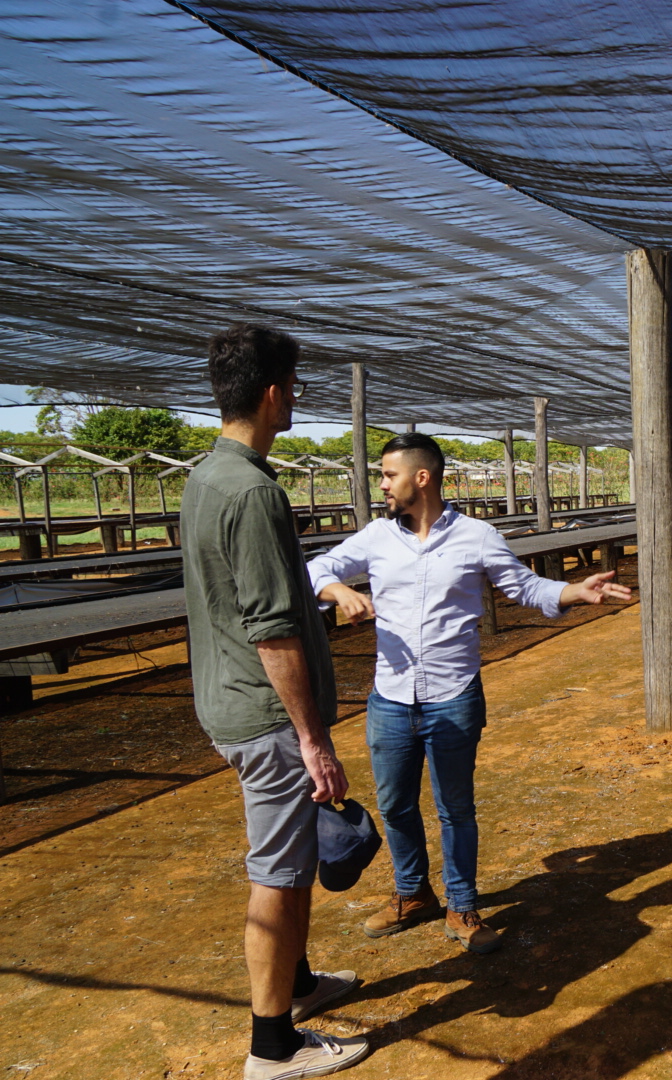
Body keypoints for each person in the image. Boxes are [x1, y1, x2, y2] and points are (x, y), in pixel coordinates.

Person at [307, 433, 630, 954]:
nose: (382, 485)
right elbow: (313, 570)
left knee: (456, 807)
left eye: (389, 475)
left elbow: (524, 588)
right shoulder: (374, 538)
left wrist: (572, 591)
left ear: (422, 478)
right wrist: (340, 590)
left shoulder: (477, 536)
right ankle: (412, 894)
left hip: (453, 694)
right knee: (395, 806)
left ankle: (462, 906)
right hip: (389, 698)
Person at [181, 324, 370, 1080]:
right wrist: (312, 740)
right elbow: (271, 634)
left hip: (226, 701)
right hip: (265, 718)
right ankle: (272, 1046)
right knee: (280, 872)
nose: (295, 398)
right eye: (292, 386)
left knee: (288, 854)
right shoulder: (254, 491)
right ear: (272, 392)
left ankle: (297, 986)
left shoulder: (207, 478)